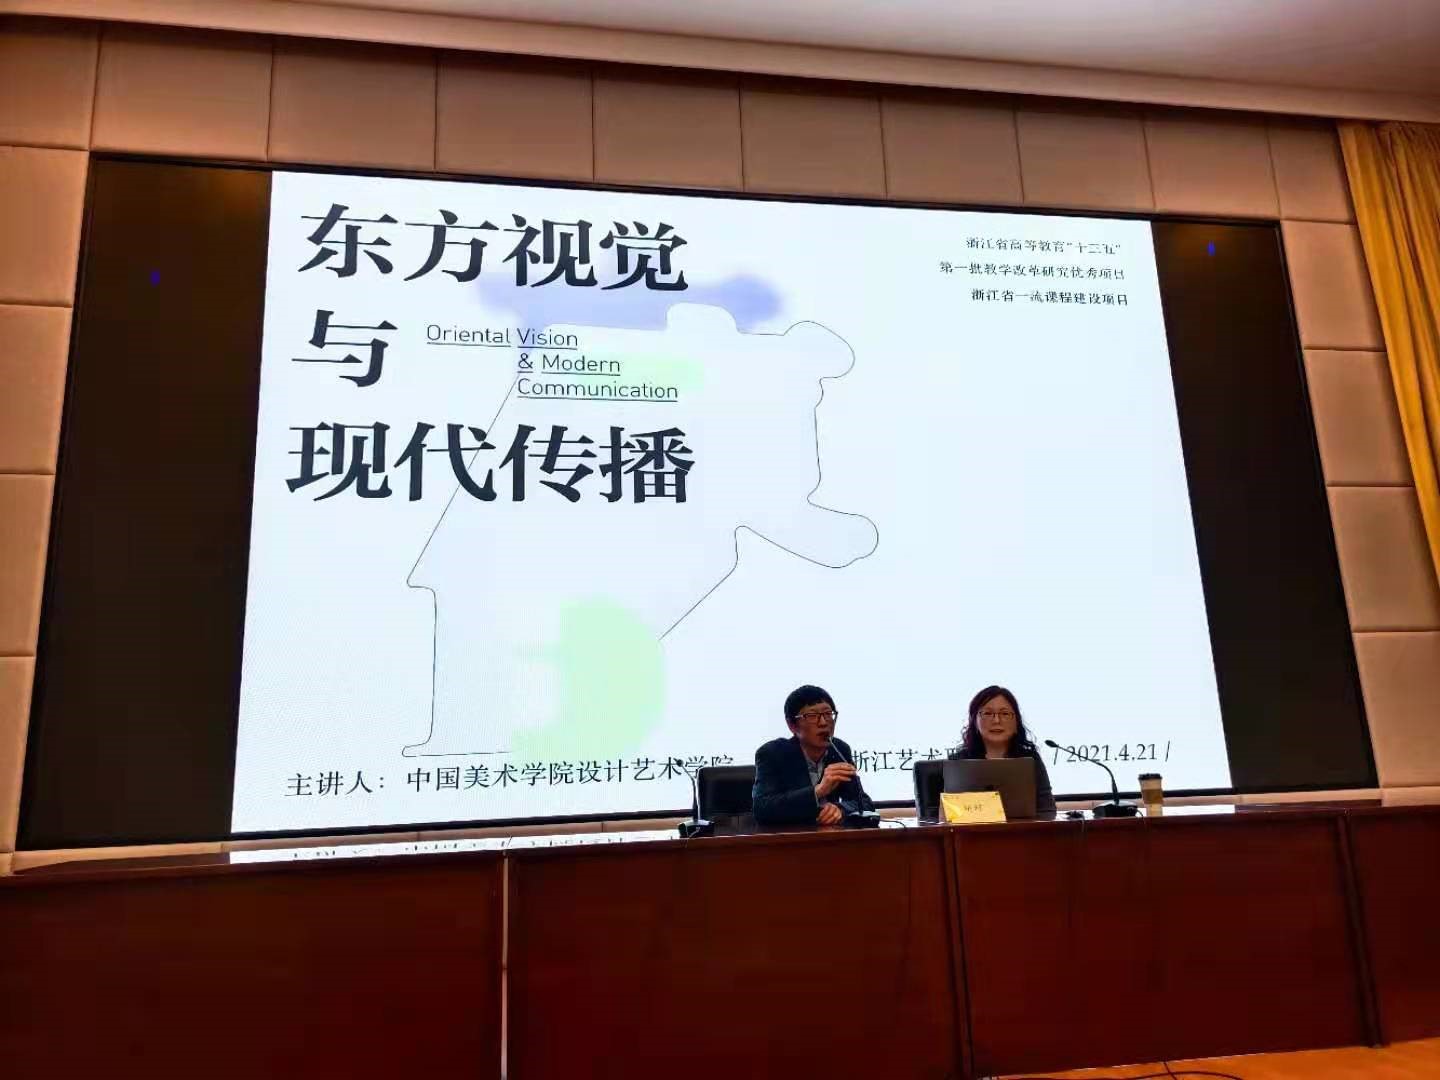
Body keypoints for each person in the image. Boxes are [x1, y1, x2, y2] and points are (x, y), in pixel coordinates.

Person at [752, 685, 875, 826]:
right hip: (790, 836)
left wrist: (841, 810)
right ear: (792, 725)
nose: (823, 723)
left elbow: (864, 803)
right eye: (812, 716)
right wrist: (817, 791)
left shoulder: (839, 750)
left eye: (828, 714)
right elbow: (762, 809)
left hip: (830, 836)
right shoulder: (772, 754)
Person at [950, 685, 1057, 815]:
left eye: (1005, 713)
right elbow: (949, 815)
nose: (996, 720)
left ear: (1016, 722)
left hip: (1023, 828)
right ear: (974, 722)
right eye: (988, 713)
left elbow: (1047, 810)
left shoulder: (1030, 759)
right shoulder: (958, 761)